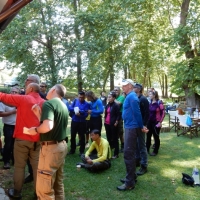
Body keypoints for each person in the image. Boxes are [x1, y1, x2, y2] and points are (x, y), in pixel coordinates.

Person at [0, 83, 45, 199]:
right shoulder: (44, 102)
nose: (24, 89)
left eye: (26, 87)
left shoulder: (24, 98)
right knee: (37, 168)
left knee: (19, 167)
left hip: (22, 139)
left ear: (30, 89)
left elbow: (5, 97)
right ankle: (38, 193)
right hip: (37, 140)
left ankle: (16, 192)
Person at [26, 84, 68, 199]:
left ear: (54, 90)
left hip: (50, 149)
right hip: (61, 146)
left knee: (44, 189)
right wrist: (39, 114)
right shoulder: (63, 105)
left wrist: (34, 130)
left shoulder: (48, 104)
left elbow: (48, 126)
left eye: (49, 89)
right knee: (57, 184)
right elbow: (54, 126)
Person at [117, 79, 147, 191]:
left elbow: (137, 113)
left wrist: (141, 126)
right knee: (131, 153)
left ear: (130, 86)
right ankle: (132, 177)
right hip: (130, 126)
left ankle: (130, 183)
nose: (122, 88)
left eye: (124, 86)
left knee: (128, 154)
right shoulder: (129, 96)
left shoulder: (132, 97)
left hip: (132, 127)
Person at [0, 86, 20, 169]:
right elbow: (0, 113)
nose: (14, 93)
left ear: (18, 93)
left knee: (17, 144)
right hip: (8, 126)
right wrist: (13, 111)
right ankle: (6, 161)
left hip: (19, 126)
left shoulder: (20, 101)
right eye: (12, 91)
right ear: (10, 92)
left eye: (16, 92)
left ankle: (14, 160)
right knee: (8, 144)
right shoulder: (4, 101)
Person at [133, 83, 149, 175]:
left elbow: (147, 113)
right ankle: (137, 160)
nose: (133, 88)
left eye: (134, 87)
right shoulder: (136, 98)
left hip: (141, 126)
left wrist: (144, 125)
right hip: (135, 125)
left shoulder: (143, 99)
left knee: (142, 145)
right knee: (136, 145)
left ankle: (144, 165)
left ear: (139, 89)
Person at [68, 91, 90, 155]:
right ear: (78, 96)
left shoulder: (87, 104)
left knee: (82, 136)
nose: (81, 99)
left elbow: (86, 114)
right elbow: (70, 108)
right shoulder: (75, 101)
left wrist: (80, 113)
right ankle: (72, 149)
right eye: (79, 97)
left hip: (82, 122)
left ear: (84, 97)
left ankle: (81, 151)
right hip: (74, 121)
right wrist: (76, 110)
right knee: (72, 136)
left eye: (82, 97)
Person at [146, 90, 165, 156]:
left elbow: (163, 113)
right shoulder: (150, 102)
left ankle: (155, 151)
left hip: (156, 123)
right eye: (149, 94)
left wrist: (160, 122)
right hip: (149, 122)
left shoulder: (159, 103)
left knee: (156, 137)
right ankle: (147, 149)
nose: (149, 95)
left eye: (151, 94)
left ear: (154, 95)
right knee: (148, 136)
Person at [104, 92, 120, 159]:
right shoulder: (107, 105)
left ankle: (116, 153)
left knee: (115, 138)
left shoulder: (116, 105)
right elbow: (106, 114)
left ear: (114, 98)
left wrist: (116, 122)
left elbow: (118, 115)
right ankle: (109, 151)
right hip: (107, 124)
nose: (108, 98)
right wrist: (104, 121)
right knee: (108, 137)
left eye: (110, 97)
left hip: (113, 124)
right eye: (108, 97)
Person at [114, 86, 125, 152]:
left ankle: (123, 145)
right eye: (114, 90)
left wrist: (113, 99)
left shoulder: (122, 97)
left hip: (120, 115)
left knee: (120, 131)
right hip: (113, 116)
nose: (115, 91)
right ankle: (115, 145)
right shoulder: (113, 97)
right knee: (114, 131)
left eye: (117, 90)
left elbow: (119, 104)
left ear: (119, 91)